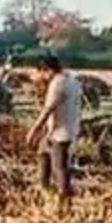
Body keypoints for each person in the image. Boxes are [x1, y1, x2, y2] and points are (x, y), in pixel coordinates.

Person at [26, 52, 82, 211]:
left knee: (59, 167)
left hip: (61, 132)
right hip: (63, 128)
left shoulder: (57, 83)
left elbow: (48, 109)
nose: (41, 77)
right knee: (43, 154)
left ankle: (64, 200)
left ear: (48, 70)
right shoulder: (72, 80)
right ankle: (46, 191)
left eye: (41, 72)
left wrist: (33, 130)